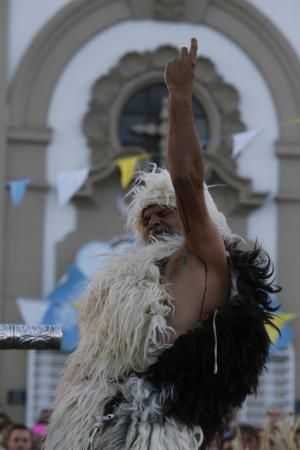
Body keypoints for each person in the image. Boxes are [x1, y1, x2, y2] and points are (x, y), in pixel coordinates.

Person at [46, 38, 279, 449]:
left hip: (164, 432)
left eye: (164, 209)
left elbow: (187, 179)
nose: (153, 218)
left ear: (191, 215)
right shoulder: (133, 287)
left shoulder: (202, 258)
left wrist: (180, 97)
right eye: (145, 215)